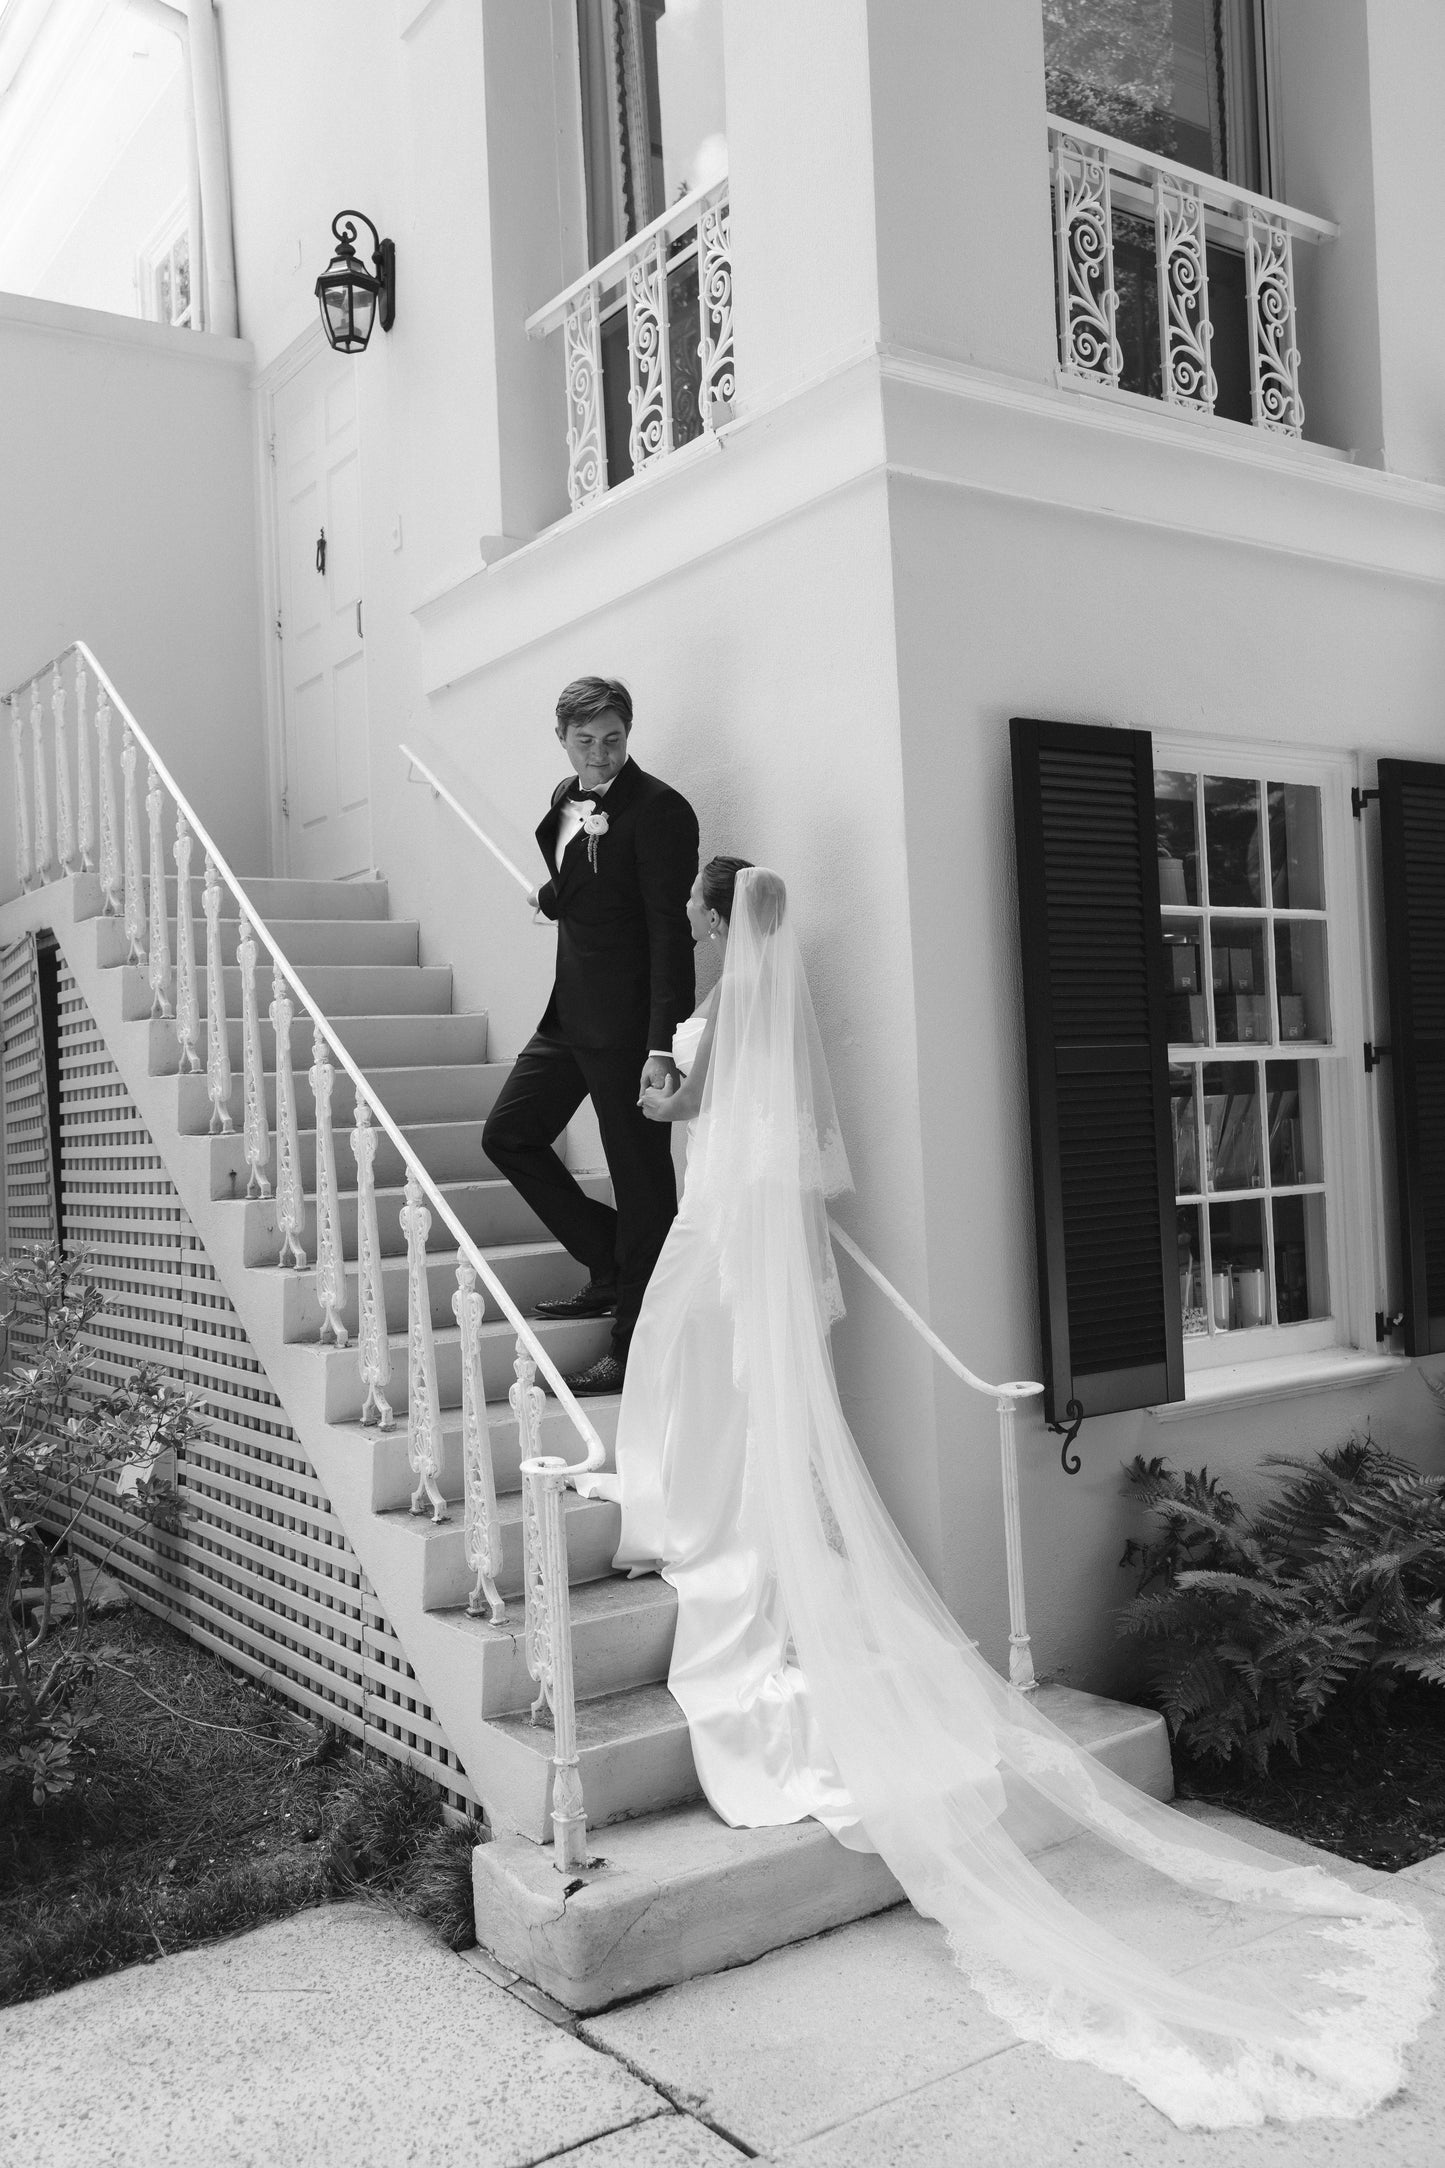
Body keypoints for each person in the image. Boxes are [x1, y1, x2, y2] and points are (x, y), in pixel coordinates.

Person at [587, 861, 1433, 2131]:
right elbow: (803, 1162)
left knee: (686, 1371)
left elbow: (681, 1116)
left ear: (714, 920)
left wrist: (661, 1093)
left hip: (715, 1234)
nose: (700, 925)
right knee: (722, 1388)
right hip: (746, 1236)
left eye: (701, 913)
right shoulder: (775, 1020)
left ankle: (688, 1516)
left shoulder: (711, 1025)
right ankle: (706, 1507)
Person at [481, 677, 698, 1395]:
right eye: (586, 741)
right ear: (562, 739)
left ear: (628, 733)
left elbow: (670, 933)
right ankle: (607, 1264)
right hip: (567, 1016)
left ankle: (632, 1349)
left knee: (643, 1188)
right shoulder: (562, 799)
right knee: (508, 1135)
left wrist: (661, 1046)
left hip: (632, 1031)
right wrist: (552, 895)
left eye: (612, 739)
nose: (600, 754)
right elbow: (581, 882)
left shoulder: (661, 810)